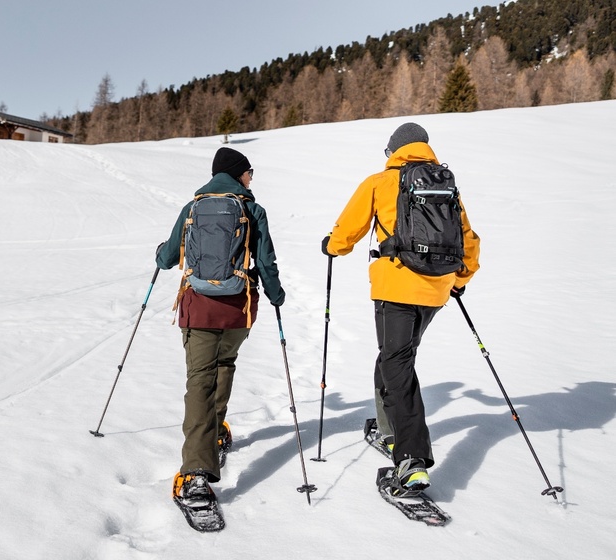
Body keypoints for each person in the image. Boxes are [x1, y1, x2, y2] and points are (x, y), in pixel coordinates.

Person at [322, 123, 481, 495]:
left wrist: (332, 245)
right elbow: (469, 240)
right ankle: (388, 427)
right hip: (437, 290)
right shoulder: (445, 184)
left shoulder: (380, 181)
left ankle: (411, 461)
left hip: (396, 287)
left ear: (394, 150)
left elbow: (347, 231)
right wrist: (460, 281)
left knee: (397, 363)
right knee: (396, 356)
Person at [155, 146, 286, 503]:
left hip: (198, 308)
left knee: (200, 380)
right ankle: (213, 433)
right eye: (248, 172)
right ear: (236, 173)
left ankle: (196, 470)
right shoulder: (251, 210)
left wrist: (158, 252)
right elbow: (267, 261)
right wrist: (276, 295)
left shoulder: (193, 207)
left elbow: (168, 258)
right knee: (225, 363)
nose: (251, 177)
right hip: (238, 310)